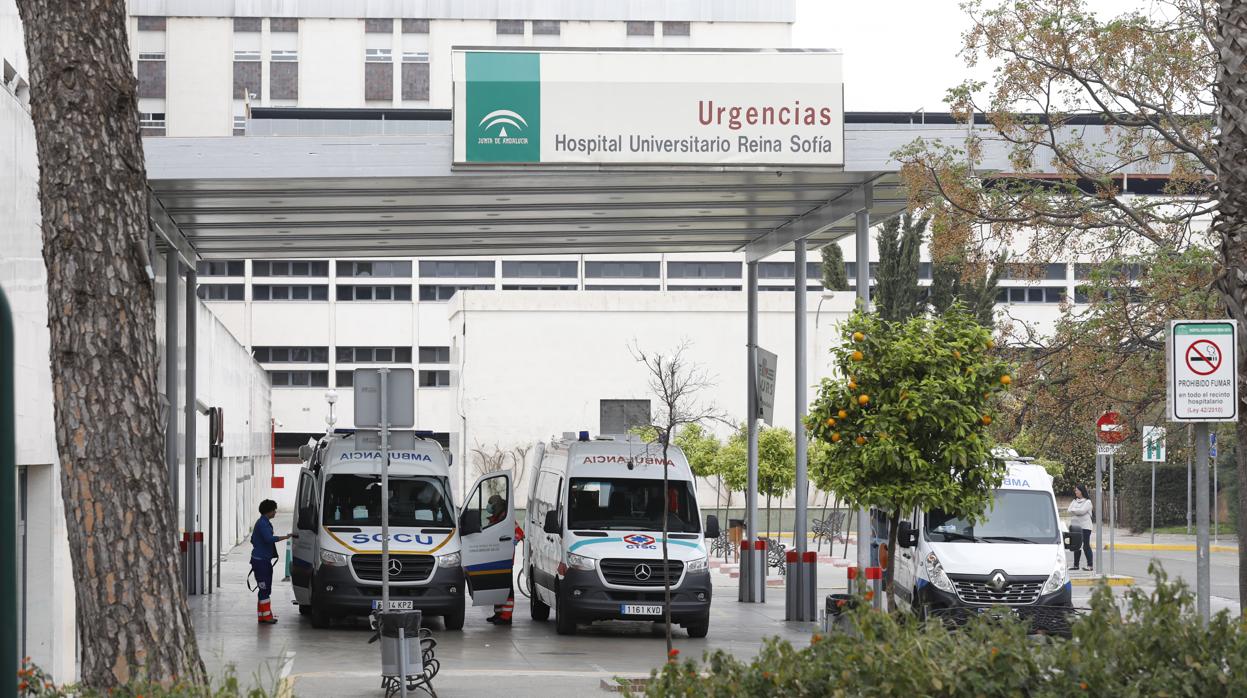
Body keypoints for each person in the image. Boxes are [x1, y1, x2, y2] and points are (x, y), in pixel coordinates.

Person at [485, 494, 524, 626]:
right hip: (496, 559)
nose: (488, 507)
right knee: (498, 587)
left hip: (505, 560)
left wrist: (512, 541)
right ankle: (498, 613)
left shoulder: (506, 519)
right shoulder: (496, 519)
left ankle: (506, 617)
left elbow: (519, 533)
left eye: (490, 504)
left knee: (507, 589)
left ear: (496, 506)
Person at [251, 499, 290, 624]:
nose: (275, 512)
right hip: (261, 562)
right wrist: (285, 537)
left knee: (264, 589)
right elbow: (268, 539)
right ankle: (266, 616)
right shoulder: (263, 524)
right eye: (274, 510)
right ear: (268, 511)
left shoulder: (263, 522)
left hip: (263, 560)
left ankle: (263, 615)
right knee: (264, 589)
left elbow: (253, 539)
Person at [1067, 485, 1094, 571]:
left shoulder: (1088, 502)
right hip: (1076, 527)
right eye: (1075, 490)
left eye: (1077, 490)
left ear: (1081, 491)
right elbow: (1068, 510)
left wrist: (1074, 510)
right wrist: (1076, 511)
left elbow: (1082, 511)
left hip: (1085, 527)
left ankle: (1090, 566)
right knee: (1076, 546)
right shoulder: (1074, 501)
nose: (1075, 492)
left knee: (1086, 546)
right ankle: (1076, 565)